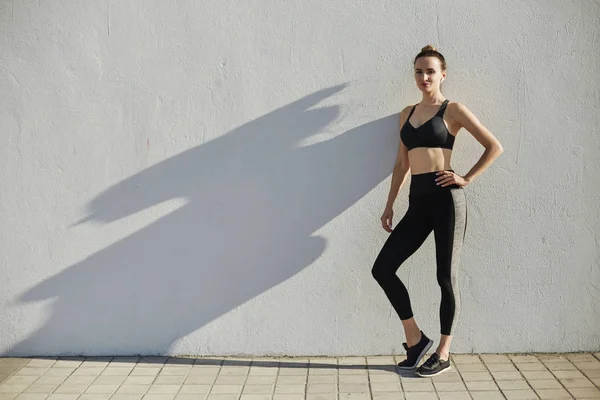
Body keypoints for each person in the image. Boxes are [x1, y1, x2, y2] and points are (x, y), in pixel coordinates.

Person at [371, 45, 504, 377]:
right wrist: (389, 204)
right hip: (418, 202)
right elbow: (402, 163)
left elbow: (494, 146)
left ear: (443, 74)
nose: (424, 77)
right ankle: (415, 341)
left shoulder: (453, 110)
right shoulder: (407, 113)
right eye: (418, 71)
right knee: (383, 269)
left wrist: (466, 177)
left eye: (430, 71)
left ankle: (443, 352)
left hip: (447, 200)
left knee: (445, 277)